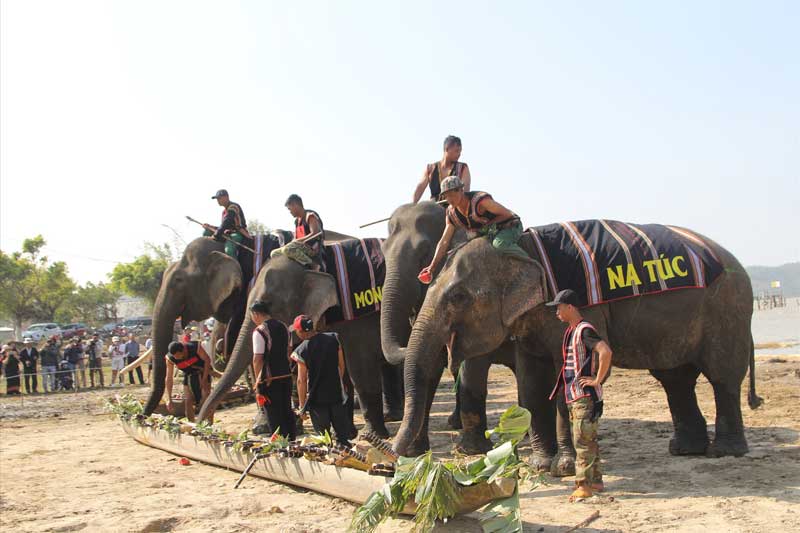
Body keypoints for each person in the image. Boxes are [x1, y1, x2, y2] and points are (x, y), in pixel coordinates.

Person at [547, 289, 613, 501]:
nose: (556, 312)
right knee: (588, 439)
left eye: (559, 307)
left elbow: (605, 351)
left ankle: (583, 485)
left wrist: (596, 380)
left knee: (582, 441)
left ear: (570, 307)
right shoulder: (572, 330)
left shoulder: (584, 330)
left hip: (583, 396)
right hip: (576, 395)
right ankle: (596, 481)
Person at [419, 176, 528, 283]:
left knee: (499, 245)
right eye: (447, 196)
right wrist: (432, 266)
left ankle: (528, 266)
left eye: (453, 194)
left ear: (461, 190)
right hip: (487, 234)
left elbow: (507, 214)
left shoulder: (481, 201)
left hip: (509, 226)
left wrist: (488, 227)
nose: (450, 199)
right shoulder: (451, 213)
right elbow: (444, 241)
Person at [290, 315, 351, 445]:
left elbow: (301, 380)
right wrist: (337, 382)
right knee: (342, 436)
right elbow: (341, 365)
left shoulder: (301, 351)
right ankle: (344, 453)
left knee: (324, 438)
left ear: (300, 331)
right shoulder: (333, 338)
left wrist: (302, 405)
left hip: (316, 399)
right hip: (336, 394)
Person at [249, 300, 295, 439]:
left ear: (256, 314)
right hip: (286, 375)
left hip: (269, 379)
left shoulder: (259, 331)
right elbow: (289, 350)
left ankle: (281, 444)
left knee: (274, 414)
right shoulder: (284, 326)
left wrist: (258, 380)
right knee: (287, 410)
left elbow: (258, 359)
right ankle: (291, 440)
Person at [271, 194, 326, 270]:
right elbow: (296, 238)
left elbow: (315, 234)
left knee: (288, 249)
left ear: (295, 205)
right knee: (274, 253)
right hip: (300, 247)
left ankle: (313, 264)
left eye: (289, 209)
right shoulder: (297, 221)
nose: (290, 212)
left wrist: (297, 241)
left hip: (312, 248)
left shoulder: (310, 216)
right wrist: (293, 242)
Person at [412, 135, 472, 203]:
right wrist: (412, 205)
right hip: (434, 208)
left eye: (460, 151)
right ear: (447, 149)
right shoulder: (430, 169)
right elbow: (420, 187)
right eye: (456, 151)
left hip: (454, 208)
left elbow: (465, 191)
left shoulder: (463, 168)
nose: (459, 154)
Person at [165, 340, 214, 422]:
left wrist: (204, 379)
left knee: (205, 400)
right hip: (188, 374)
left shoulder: (195, 347)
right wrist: (169, 399)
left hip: (203, 372)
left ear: (183, 350)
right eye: (175, 357)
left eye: (178, 356)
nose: (177, 358)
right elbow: (169, 377)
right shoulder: (170, 359)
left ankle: (209, 424)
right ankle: (192, 425)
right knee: (188, 401)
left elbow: (207, 360)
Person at [202, 189, 251, 258]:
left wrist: (216, 234)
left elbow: (227, 222)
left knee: (229, 250)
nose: (218, 200)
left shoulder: (233, 207)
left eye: (219, 198)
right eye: (217, 199)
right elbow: (224, 226)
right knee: (206, 232)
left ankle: (234, 267)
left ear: (227, 197)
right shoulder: (224, 212)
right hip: (227, 233)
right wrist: (210, 227)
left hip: (237, 233)